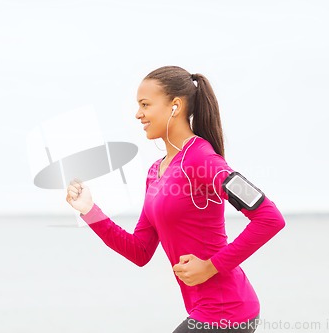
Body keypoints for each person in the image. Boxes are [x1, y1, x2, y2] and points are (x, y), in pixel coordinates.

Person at [66, 65, 286, 332]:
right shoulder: (155, 173)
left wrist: (211, 266)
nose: (138, 114)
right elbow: (140, 251)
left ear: (175, 106)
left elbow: (270, 218)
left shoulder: (203, 160)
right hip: (204, 312)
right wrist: (90, 210)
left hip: (227, 312)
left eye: (145, 104)